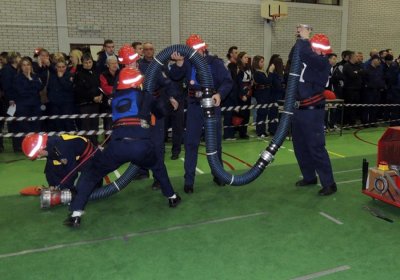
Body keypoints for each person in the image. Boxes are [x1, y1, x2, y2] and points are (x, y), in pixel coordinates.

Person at [63, 67, 181, 228]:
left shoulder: (116, 98)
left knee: (92, 173)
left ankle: (76, 214)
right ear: (137, 82)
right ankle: (172, 197)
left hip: (117, 146)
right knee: (158, 167)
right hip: (141, 145)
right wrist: (170, 105)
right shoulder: (144, 96)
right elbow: (160, 112)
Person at [170, 34, 233, 193]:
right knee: (191, 143)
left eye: (197, 50)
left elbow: (227, 81)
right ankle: (189, 180)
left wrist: (220, 94)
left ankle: (218, 175)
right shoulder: (187, 63)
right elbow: (174, 77)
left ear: (203, 48)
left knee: (215, 142)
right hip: (193, 106)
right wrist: (178, 63)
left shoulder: (215, 63)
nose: (195, 53)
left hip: (212, 105)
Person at [292, 25, 337, 196]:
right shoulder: (307, 56)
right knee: (300, 146)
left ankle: (329, 183)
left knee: (316, 147)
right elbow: (295, 54)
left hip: (312, 111)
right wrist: (301, 40)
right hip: (299, 109)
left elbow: (305, 54)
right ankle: (309, 176)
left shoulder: (321, 62)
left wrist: (304, 39)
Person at [20, 133, 102, 195]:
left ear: (40, 150)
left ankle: (95, 181)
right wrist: (52, 185)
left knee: (82, 191)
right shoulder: (48, 146)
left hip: (92, 159)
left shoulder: (61, 147)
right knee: (54, 165)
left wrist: (61, 189)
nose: (38, 157)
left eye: (38, 155)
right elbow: (50, 168)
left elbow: (71, 172)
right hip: (77, 158)